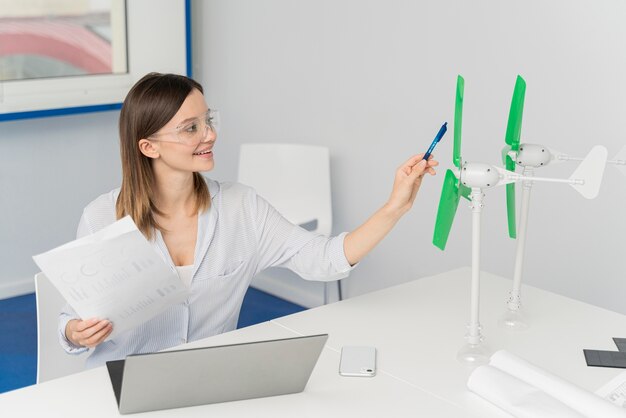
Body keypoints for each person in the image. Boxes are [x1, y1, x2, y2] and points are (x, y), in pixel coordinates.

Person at [59, 72, 438, 368]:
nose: (210, 134)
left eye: (208, 121)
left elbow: (323, 261)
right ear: (148, 146)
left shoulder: (241, 208)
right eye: (191, 128)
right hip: (121, 387)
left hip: (211, 382)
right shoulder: (102, 218)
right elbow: (71, 321)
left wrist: (395, 206)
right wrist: (76, 333)